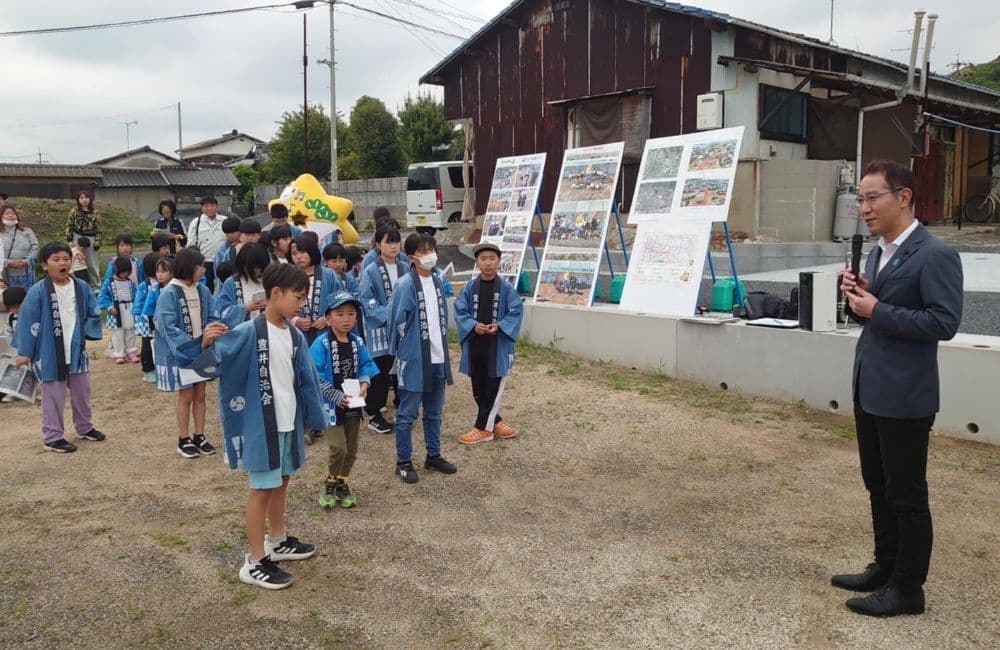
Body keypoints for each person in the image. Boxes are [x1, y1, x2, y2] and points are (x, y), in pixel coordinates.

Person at [835, 159, 963, 618]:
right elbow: (874, 313)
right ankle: (885, 566)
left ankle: (908, 589)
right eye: (861, 200)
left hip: (906, 394)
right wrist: (859, 297)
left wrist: (878, 311)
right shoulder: (877, 252)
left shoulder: (936, 254)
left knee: (907, 493)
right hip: (870, 386)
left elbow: (944, 322)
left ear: (903, 197)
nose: (864, 209)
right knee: (877, 484)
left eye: (873, 198)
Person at [184, 263, 325, 590]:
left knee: (282, 481)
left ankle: (277, 540)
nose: (301, 304)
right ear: (275, 294)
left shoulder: (295, 335)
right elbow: (208, 365)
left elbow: (306, 380)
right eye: (297, 297)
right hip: (262, 424)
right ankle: (255, 560)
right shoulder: (249, 332)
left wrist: (314, 418)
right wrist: (204, 344)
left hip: (288, 419)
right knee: (261, 488)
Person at [12, 243, 105, 452]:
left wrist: (87, 330)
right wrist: (25, 353)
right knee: (53, 395)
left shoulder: (81, 287)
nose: (63, 263)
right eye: (56, 259)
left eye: (66, 258)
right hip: (49, 352)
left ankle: (84, 427)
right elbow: (28, 321)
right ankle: (53, 436)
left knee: (82, 391)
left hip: (76, 350)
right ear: (45, 265)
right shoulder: (37, 292)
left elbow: (93, 311)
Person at [388, 233, 457, 484]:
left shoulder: (437, 281)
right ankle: (403, 461)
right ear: (412, 258)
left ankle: (433, 454)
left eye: (432, 249)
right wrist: (402, 354)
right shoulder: (406, 285)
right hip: (415, 359)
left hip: (438, 357)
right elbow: (395, 321)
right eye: (423, 251)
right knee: (407, 413)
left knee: (434, 411)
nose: (429, 255)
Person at [311, 291, 379, 508]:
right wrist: (336, 396)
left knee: (351, 449)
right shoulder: (321, 344)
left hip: (353, 403)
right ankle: (330, 483)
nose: (346, 319)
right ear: (328, 318)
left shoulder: (357, 341)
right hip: (331, 405)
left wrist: (365, 383)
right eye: (339, 314)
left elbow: (366, 365)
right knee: (338, 447)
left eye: (351, 314)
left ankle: (343, 482)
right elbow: (315, 376)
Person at [153, 247, 222, 459]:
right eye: (200, 266)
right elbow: (166, 325)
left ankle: (199, 435)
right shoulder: (170, 292)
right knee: (186, 395)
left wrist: (211, 333)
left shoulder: (202, 290)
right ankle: (183, 438)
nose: (203, 270)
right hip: (183, 353)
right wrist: (194, 344)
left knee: (201, 394)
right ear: (189, 267)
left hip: (202, 351)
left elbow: (212, 315)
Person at [454, 243, 524, 444]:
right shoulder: (469, 287)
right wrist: (473, 325)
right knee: (478, 389)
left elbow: (516, 311)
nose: (488, 263)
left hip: (497, 347)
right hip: (475, 346)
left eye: (492, 258)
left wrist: (500, 326)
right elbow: (460, 311)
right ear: (477, 261)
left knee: (493, 387)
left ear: (498, 261)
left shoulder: (506, 288)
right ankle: (496, 421)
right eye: (483, 258)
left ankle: (483, 429)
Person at [358, 224, 406, 434]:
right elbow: (366, 299)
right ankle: (374, 413)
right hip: (380, 329)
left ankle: (403, 405)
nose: (394, 246)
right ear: (378, 244)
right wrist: (389, 316)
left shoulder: (405, 266)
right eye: (389, 242)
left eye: (396, 241)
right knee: (381, 369)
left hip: (404, 327)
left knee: (402, 367)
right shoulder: (370, 270)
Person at [290, 235, 341, 346]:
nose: (298, 257)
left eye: (302, 252)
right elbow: (280, 306)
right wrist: (295, 320)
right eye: (294, 254)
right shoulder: (287, 276)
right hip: (298, 334)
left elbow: (339, 300)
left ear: (312, 252)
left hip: (326, 332)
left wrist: (327, 319)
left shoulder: (329, 274)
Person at [98, 256, 140, 365]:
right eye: (123, 272)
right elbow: (103, 297)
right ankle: (119, 353)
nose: (125, 275)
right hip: (116, 311)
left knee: (130, 331)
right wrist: (110, 307)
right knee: (117, 333)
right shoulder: (109, 282)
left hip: (129, 309)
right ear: (117, 270)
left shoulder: (130, 282)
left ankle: (131, 351)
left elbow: (136, 295)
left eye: (127, 272)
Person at [216, 243, 270, 324]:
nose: (255, 270)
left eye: (258, 267)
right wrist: (244, 308)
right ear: (242, 264)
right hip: (242, 331)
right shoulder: (232, 283)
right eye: (251, 267)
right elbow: (223, 311)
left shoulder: (269, 280)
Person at [186, 196, 227, 293]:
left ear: (217, 207)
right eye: (206, 206)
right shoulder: (196, 223)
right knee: (206, 287)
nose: (209, 208)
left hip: (222, 260)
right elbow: (191, 243)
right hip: (204, 261)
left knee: (222, 286)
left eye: (212, 206)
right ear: (202, 208)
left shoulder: (224, 220)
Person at [134, 253, 160, 382]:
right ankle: (148, 369)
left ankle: (159, 367)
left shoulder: (164, 283)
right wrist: (139, 317)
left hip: (159, 318)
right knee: (147, 344)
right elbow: (139, 304)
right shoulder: (144, 285)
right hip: (146, 320)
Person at [65, 190, 101, 286]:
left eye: (86, 197)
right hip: (77, 237)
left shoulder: (95, 212)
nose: (84, 200)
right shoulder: (74, 211)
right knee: (76, 260)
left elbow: (98, 228)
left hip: (90, 238)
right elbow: (69, 225)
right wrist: (69, 239)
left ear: (90, 199)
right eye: (82, 198)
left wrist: (97, 242)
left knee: (91, 262)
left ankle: (95, 284)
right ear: (78, 200)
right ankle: (75, 283)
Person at [1, 205, 40, 290]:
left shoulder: (26, 231)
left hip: (27, 273)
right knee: (10, 300)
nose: (11, 215)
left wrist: (27, 260)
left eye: (13, 213)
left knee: (28, 298)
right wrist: (8, 262)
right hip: (6, 275)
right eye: (7, 213)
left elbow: (35, 246)